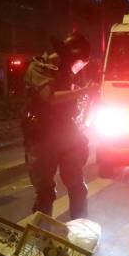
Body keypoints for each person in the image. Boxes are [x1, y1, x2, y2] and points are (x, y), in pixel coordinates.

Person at [23, 32, 94, 219]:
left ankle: (80, 236)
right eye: (78, 63)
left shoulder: (68, 72)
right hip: (43, 135)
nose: (78, 68)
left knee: (77, 187)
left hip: (67, 134)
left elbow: (73, 103)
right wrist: (84, 91)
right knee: (46, 192)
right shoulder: (39, 68)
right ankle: (40, 240)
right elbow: (50, 98)